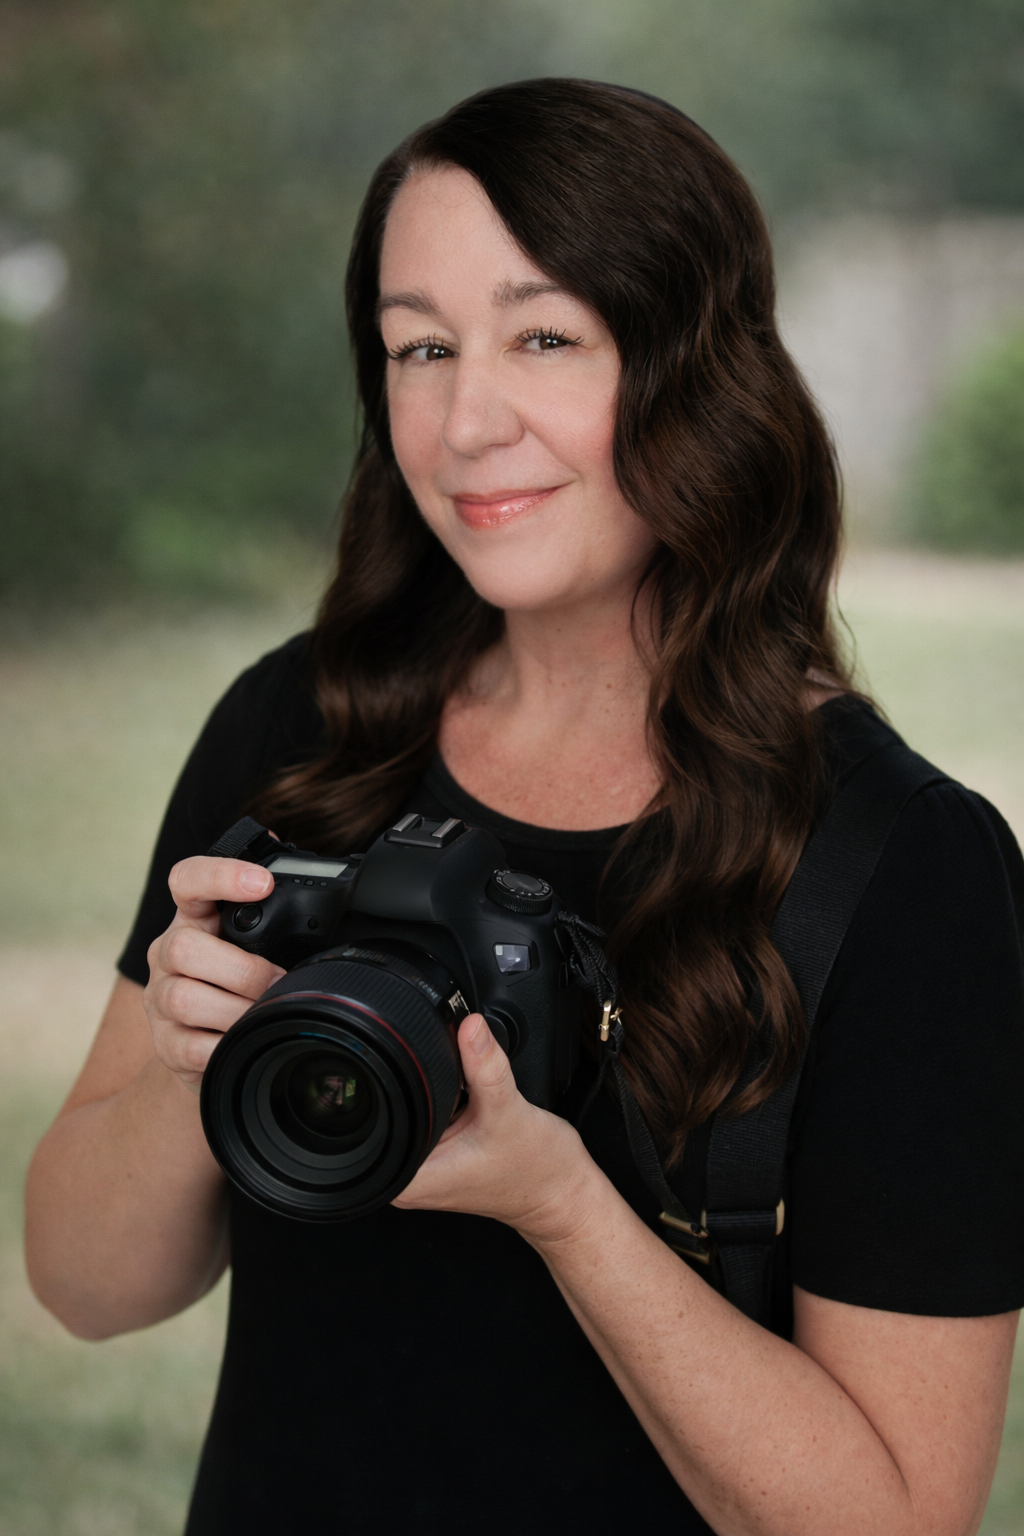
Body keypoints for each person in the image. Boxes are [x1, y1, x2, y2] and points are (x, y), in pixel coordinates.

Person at [25, 80, 1024, 1536]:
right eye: (418, 347)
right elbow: (85, 1285)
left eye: (544, 336)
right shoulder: (300, 733)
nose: (465, 419)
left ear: (698, 370)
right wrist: (194, 1058)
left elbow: (890, 1519)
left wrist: (562, 1205)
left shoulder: (900, 871)